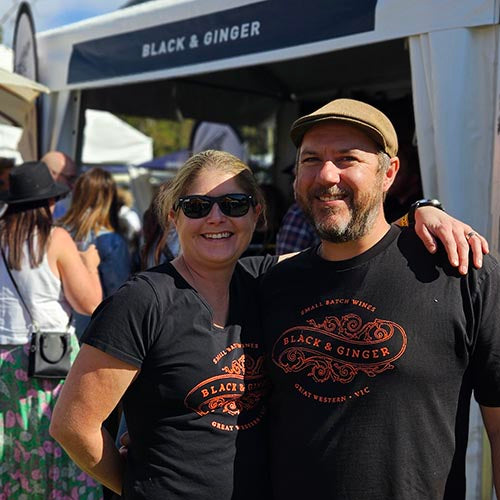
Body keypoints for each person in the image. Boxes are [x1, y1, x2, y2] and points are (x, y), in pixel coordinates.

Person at [50, 149, 486, 499]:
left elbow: (355, 245)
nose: (216, 218)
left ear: (256, 214)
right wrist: (138, 486)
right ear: (173, 217)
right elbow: (72, 425)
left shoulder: (263, 281)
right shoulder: (143, 300)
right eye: (196, 206)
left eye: (234, 204)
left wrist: (421, 213)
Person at [259, 98, 499, 499]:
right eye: (311, 159)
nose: (326, 175)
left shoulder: (461, 272)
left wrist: (423, 210)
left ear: (389, 173)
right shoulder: (267, 284)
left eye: (347, 159)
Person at [0, 161, 103, 498]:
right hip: (49, 357)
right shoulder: (55, 238)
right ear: (48, 202)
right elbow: (90, 303)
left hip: (4, 361)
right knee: (58, 440)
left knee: (13, 447)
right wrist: (90, 265)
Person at [59, 167, 131, 338]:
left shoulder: (58, 233)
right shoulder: (110, 240)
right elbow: (118, 294)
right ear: (109, 198)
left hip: (60, 326)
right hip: (94, 330)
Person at [42, 151, 78, 219]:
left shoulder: (62, 212)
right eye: (69, 178)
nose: (72, 185)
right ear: (51, 173)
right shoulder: (26, 210)